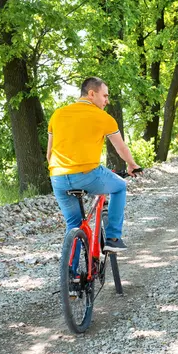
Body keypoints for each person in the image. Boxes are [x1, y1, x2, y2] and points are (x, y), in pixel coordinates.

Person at [47, 77, 140, 252]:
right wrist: (132, 165)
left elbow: (49, 154)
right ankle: (113, 238)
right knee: (120, 186)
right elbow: (121, 148)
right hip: (87, 175)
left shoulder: (57, 114)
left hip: (58, 178)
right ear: (91, 94)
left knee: (73, 224)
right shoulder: (103, 117)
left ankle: (71, 276)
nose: (107, 101)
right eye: (104, 96)